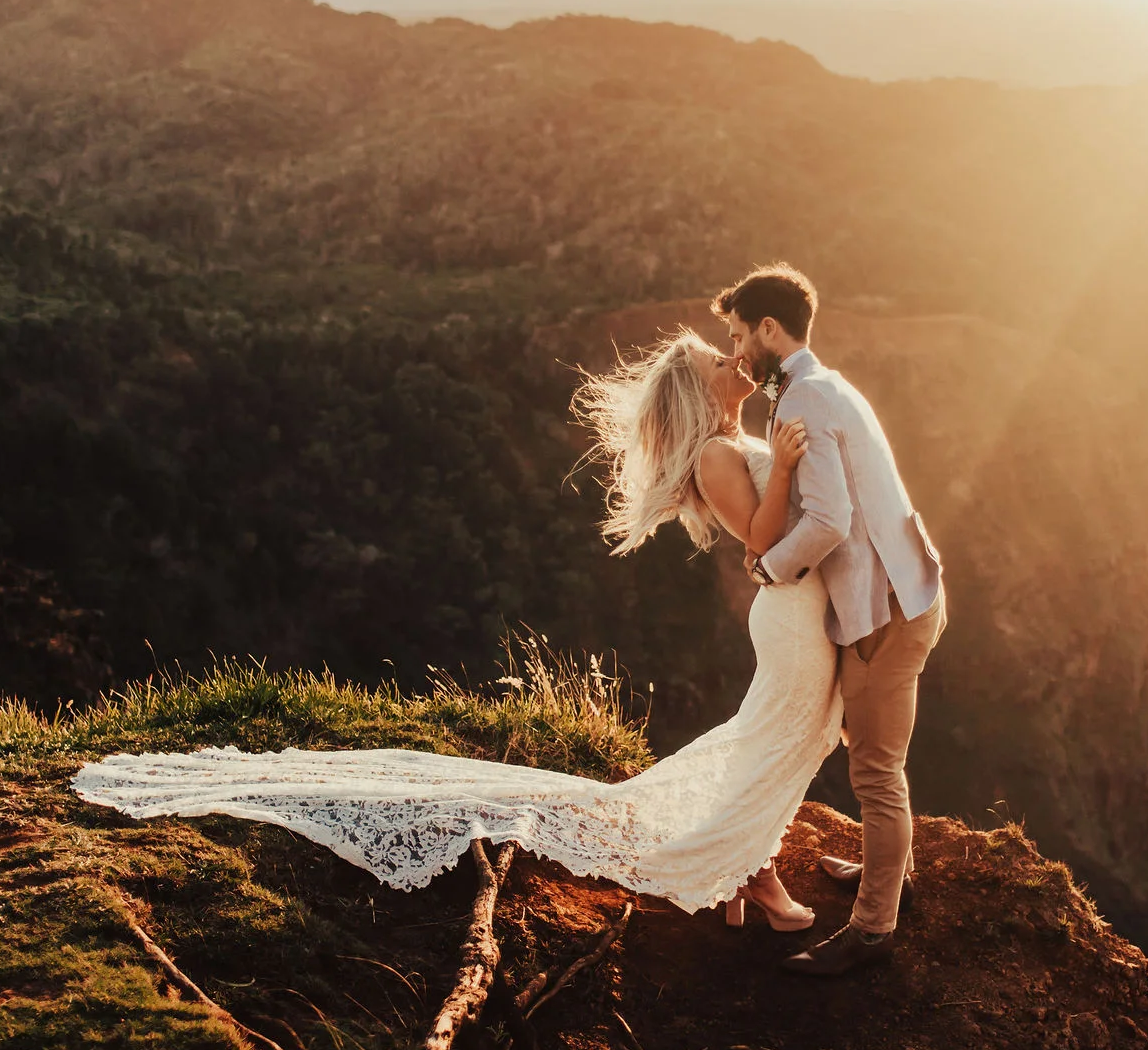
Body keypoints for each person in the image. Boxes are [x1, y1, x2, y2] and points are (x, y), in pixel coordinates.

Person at [71, 324, 842, 932]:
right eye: (719, 356)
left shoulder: (740, 438)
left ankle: (745, 877)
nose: (734, 358)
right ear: (698, 391)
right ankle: (754, 875)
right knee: (774, 737)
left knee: (778, 737)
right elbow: (764, 546)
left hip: (801, 610)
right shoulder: (716, 451)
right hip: (787, 615)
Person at [712, 264, 946, 976]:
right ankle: (886, 867)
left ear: (770, 330)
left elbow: (829, 519)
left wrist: (767, 568)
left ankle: (873, 928)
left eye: (739, 334)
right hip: (908, 589)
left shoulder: (799, 403)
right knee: (870, 750)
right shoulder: (830, 385)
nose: (737, 349)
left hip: (886, 612)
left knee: (876, 770)